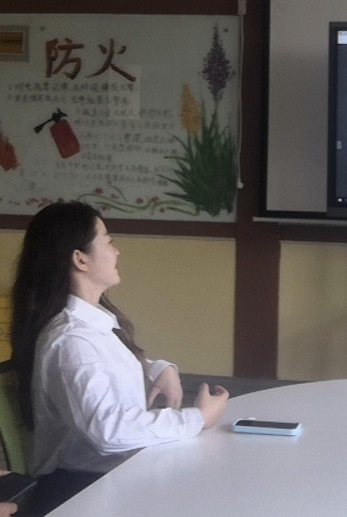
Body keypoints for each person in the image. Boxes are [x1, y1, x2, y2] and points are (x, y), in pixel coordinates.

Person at [10, 201, 229, 514]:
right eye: (108, 242)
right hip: (79, 493)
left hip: (104, 479)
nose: (116, 252)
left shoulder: (90, 325)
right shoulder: (71, 339)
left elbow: (105, 368)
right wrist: (198, 418)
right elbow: (108, 430)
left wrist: (158, 369)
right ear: (80, 259)